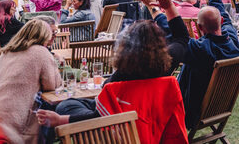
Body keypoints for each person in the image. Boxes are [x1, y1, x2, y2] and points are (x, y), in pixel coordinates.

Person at [36, 20, 187, 143]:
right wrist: (165, 7)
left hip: (121, 133)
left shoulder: (118, 82)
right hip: (152, 126)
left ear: (126, 46)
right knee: (73, 103)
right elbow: (182, 39)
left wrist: (60, 120)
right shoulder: (167, 76)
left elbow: (98, 118)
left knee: (66, 106)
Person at [135, 0, 239, 127]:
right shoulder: (232, 41)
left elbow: (175, 34)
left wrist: (154, 9)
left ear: (200, 27)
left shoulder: (201, 50)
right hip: (217, 109)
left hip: (189, 111)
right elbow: (224, 15)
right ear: (221, 23)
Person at [0, 19, 61, 143]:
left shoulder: (6, 52)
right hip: (11, 127)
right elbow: (52, 86)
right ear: (44, 36)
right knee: (49, 110)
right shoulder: (41, 52)